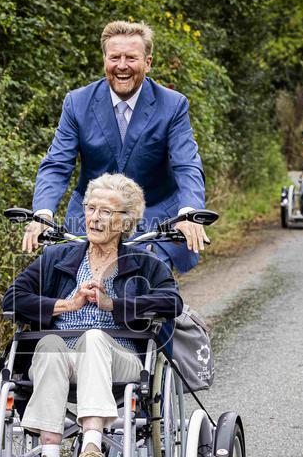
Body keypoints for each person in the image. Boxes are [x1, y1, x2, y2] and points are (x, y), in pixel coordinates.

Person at [4, 174, 181, 457]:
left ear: (126, 222)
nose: (95, 218)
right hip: (63, 359)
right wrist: (66, 304)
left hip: (122, 359)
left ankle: (91, 453)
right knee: (49, 344)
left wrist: (113, 303)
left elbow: (172, 303)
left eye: (106, 212)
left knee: (95, 338)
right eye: (90, 208)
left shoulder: (145, 262)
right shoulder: (58, 258)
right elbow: (12, 298)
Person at [22, 20, 207, 273]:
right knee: (61, 279)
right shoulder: (77, 103)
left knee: (147, 290)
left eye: (131, 58)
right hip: (91, 217)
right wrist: (42, 213)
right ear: (104, 61)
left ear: (147, 63)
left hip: (153, 219)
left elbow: (187, 164)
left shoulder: (173, 105)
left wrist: (188, 212)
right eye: (114, 57)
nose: (122, 66)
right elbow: (56, 164)